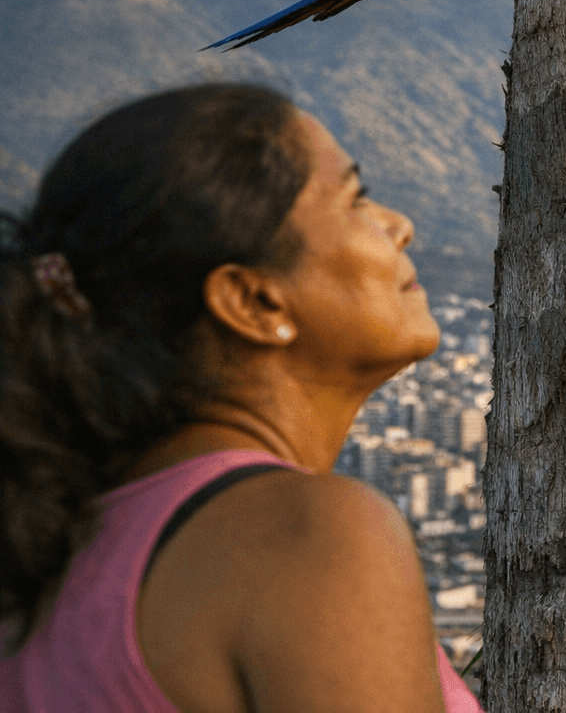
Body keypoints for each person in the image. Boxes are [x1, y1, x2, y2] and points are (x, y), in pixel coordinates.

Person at [0, 83, 482, 712]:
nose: (401, 226)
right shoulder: (310, 537)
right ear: (253, 301)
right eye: (357, 199)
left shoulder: (48, 568)